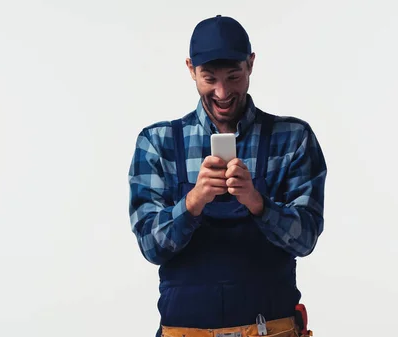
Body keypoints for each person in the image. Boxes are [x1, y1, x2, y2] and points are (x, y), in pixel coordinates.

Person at [128, 14, 327, 337]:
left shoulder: (292, 137)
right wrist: (192, 203)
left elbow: (305, 239)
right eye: (210, 78)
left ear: (250, 65)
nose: (222, 93)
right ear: (191, 69)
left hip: (272, 331)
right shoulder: (157, 143)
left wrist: (257, 203)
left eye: (234, 77)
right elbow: (151, 247)